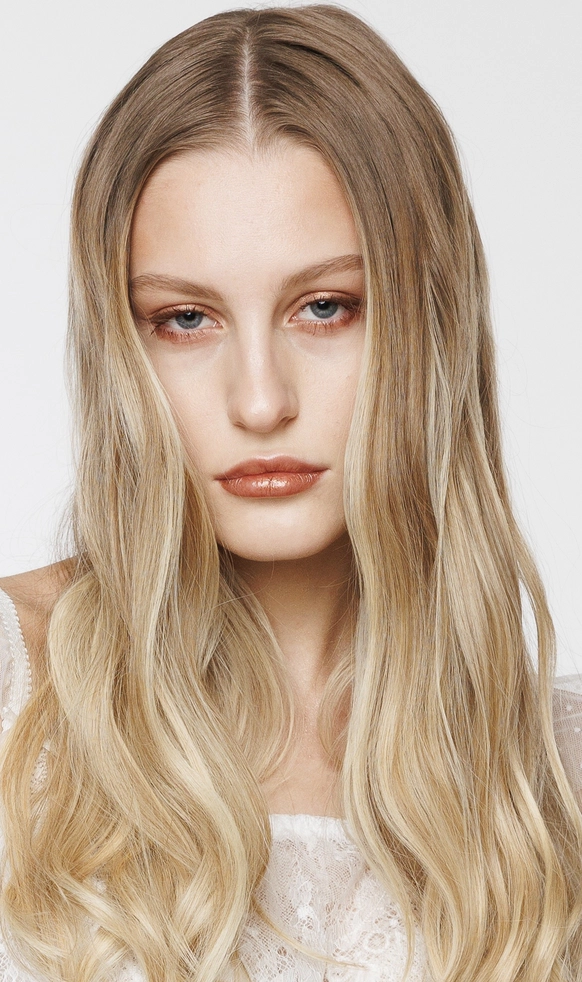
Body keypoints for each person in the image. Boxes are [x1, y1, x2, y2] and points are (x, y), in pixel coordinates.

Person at [0, 5, 581, 981]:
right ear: (121, 345)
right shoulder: (15, 692)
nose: (261, 401)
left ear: (427, 322)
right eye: (186, 319)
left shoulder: (550, 779)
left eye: (324, 307)